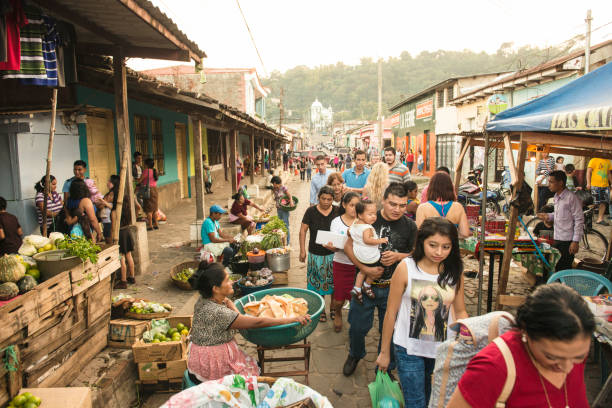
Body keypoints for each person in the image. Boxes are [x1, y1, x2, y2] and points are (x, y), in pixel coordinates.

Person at [448, 283, 594, 408]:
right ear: (526, 332)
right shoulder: (493, 367)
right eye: (551, 357)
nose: (567, 367)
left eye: (578, 357)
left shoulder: (571, 351)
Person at [376, 217, 468, 407]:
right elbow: (391, 313)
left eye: (446, 247)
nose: (438, 252)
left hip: (442, 350)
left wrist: (468, 342)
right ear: (421, 242)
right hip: (407, 348)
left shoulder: (454, 271)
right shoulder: (406, 268)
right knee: (415, 402)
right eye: (432, 245)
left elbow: (460, 311)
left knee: (431, 397)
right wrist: (385, 353)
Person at [187, 262, 310, 382]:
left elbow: (237, 317)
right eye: (227, 280)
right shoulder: (219, 313)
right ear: (215, 288)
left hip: (200, 355)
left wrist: (229, 303)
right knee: (253, 373)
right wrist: (292, 319)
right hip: (210, 364)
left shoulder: (204, 298)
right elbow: (257, 323)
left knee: (254, 365)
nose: (231, 282)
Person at [342, 183, 418, 377]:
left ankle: (385, 367)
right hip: (366, 286)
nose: (397, 209)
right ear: (383, 201)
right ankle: (355, 354)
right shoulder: (368, 219)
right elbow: (348, 246)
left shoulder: (410, 226)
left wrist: (398, 256)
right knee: (357, 327)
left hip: (394, 290)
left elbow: (415, 253)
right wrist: (365, 269)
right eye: (393, 204)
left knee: (391, 331)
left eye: (402, 205)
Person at [300, 186, 339, 322]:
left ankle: (333, 308)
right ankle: (322, 310)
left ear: (333, 199)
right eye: (323, 198)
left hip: (334, 254)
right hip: (315, 253)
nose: (326, 202)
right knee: (318, 283)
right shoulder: (311, 211)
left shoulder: (338, 211)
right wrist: (302, 250)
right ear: (318, 197)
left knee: (333, 282)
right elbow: (303, 230)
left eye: (329, 199)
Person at [536, 171, 584, 272]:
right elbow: (560, 215)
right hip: (557, 237)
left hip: (567, 241)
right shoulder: (556, 197)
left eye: (551, 182)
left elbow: (579, 219)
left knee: (564, 269)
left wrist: (575, 241)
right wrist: (547, 216)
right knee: (556, 268)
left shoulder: (571, 198)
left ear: (561, 183)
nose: (548, 185)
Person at [329, 192, 360, 332]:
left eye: (357, 205)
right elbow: (335, 244)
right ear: (344, 205)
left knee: (355, 297)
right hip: (341, 263)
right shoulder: (336, 222)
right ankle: (338, 312)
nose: (354, 208)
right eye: (351, 205)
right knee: (339, 298)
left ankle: (354, 320)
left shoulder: (363, 221)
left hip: (359, 266)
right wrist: (332, 246)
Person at [349, 199, 389, 303]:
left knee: (362, 272)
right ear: (360, 215)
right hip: (368, 254)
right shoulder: (367, 228)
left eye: (375, 214)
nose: (374, 216)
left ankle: (357, 288)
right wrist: (381, 240)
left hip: (359, 253)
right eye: (370, 214)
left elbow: (349, 232)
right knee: (378, 268)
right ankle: (366, 285)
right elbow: (367, 240)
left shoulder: (354, 224)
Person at [416, 172, 470, 238]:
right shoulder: (458, 207)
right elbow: (465, 233)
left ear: (431, 187)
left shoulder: (423, 208)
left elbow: (419, 235)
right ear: (450, 187)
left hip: (430, 247)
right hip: (450, 246)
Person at [112, 179, 136, 289]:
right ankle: (132, 277)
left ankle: (123, 280)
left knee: (121, 257)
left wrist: (113, 239)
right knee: (129, 255)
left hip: (119, 233)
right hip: (127, 231)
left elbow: (113, 227)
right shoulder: (127, 208)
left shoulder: (114, 211)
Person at [586, 157, 612, 225]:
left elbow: (609, 173)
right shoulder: (594, 159)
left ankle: (600, 219)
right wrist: (588, 183)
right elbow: (588, 172)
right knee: (595, 203)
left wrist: (611, 183)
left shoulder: (608, 160)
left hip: (605, 186)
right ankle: (587, 217)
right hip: (595, 185)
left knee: (604, 202)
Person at [138, 158, 159, 231]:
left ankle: (150, 225)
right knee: (155, 208)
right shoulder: (155, 171)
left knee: (149, 209)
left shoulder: (146, 171)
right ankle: (156, 224)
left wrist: (137, 180)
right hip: (155, 190)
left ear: (147, 164)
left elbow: (140, 180)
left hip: (148, 190)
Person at [271, 175, 293, 243]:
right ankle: (282, 241)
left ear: (276, 183)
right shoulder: (274, 189)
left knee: (285, 225)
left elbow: (289, 195)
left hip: (284, 209)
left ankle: (288, 242)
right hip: (278, 209)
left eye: (273, 183)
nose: (273, 185)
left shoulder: (283, 188)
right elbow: (276, 197)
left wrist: (291, 202)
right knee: (280, 225)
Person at [99, 175, 119, 244]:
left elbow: (114, 208)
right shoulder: (110, 193)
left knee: (109, 240)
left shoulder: (113, 193)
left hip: (109, 220)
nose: (107, 183)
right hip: (105, 220)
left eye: (109, 181)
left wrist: (104, 202)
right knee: (107, 238)